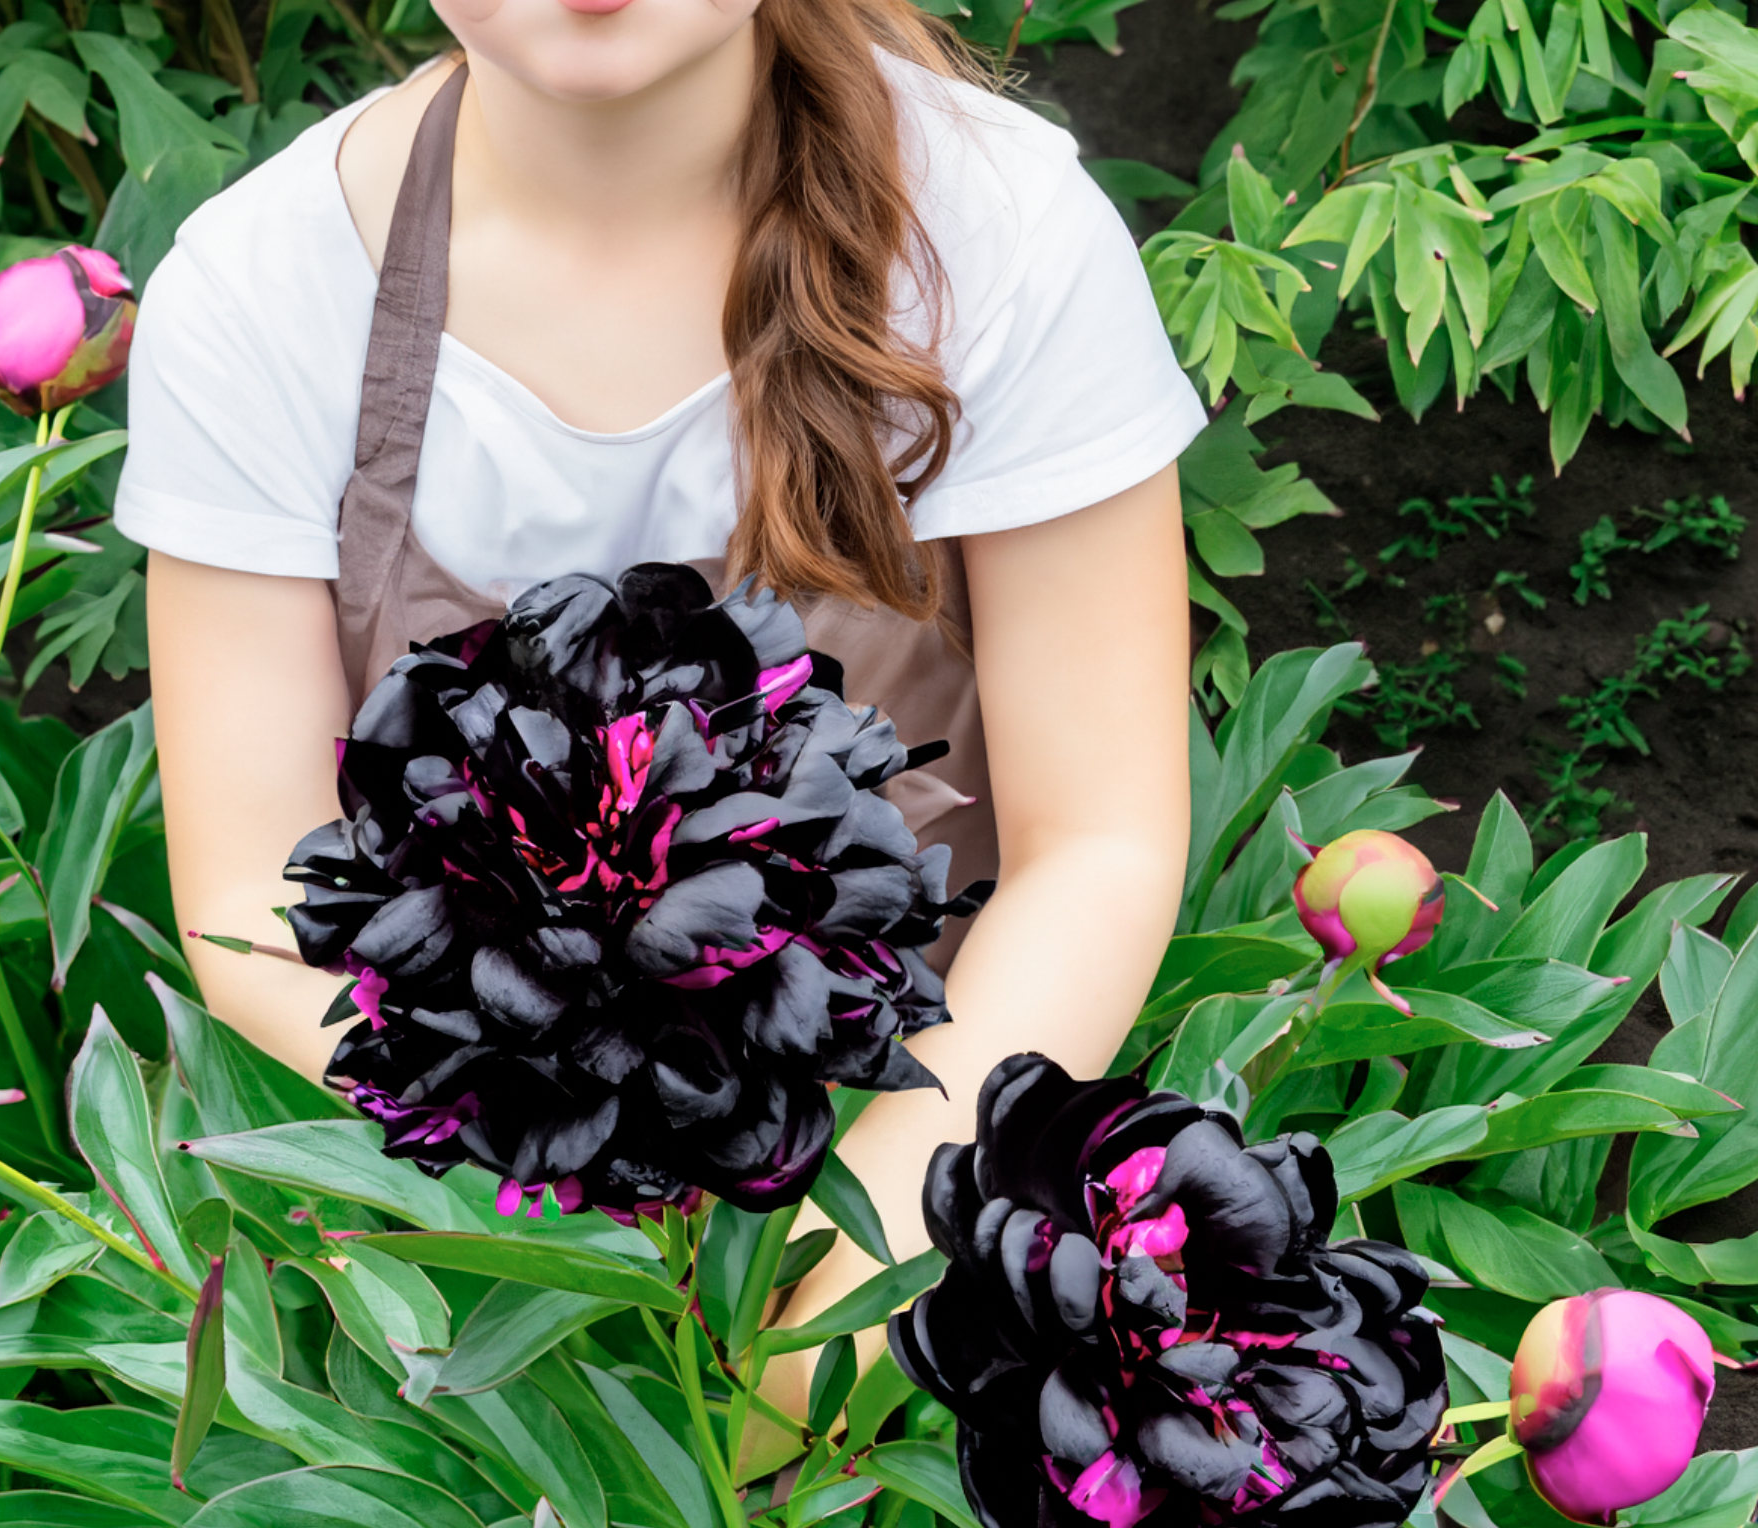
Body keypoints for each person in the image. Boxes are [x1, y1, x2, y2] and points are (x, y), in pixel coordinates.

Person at [116, 0, 1198, 1385]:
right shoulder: (262, 292)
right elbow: (254, 903)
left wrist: (836, 1317)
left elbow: (1093, 851)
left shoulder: (1000, 234)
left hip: (936, 1163)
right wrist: (556, 1259)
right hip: (468, 1243)